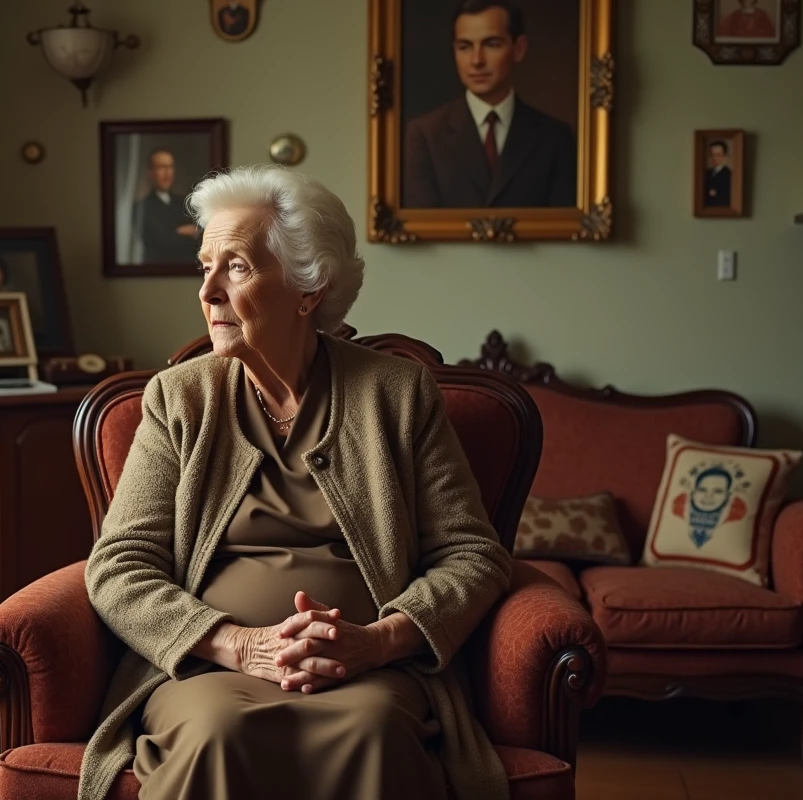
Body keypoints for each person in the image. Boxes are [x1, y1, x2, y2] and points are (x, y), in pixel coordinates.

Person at [81, 165, 513, 800]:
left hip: (366, 671)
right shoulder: (178, 399)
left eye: (236, 267)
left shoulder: (395, 394)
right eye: (204, 266)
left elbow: (473, 555)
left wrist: (378, 642)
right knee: (218, 734)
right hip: (209, 667)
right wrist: (234, 643)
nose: (208, 292)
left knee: (372, 732)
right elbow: (119, 565)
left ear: (308, 289)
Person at [403, 0, 576, 209]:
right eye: (464, 46)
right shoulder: (425, 135)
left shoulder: (555, 137)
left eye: (491, 44)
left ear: (519, 48)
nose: (476, 60)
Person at [133, 149, 200, 263]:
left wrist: (172, 233)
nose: (167, 173)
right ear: (150, 172)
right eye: (162, 167)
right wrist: (179, 232)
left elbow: (197, 239)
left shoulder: (184, 202)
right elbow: (159, 242)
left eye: (170, 167)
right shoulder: (142, 207)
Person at [704, 140, 732, 207]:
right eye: (712, 155)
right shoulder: (706, 173)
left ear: (724, 156)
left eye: (718, 155)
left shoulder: (729, 175)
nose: (714, 158)